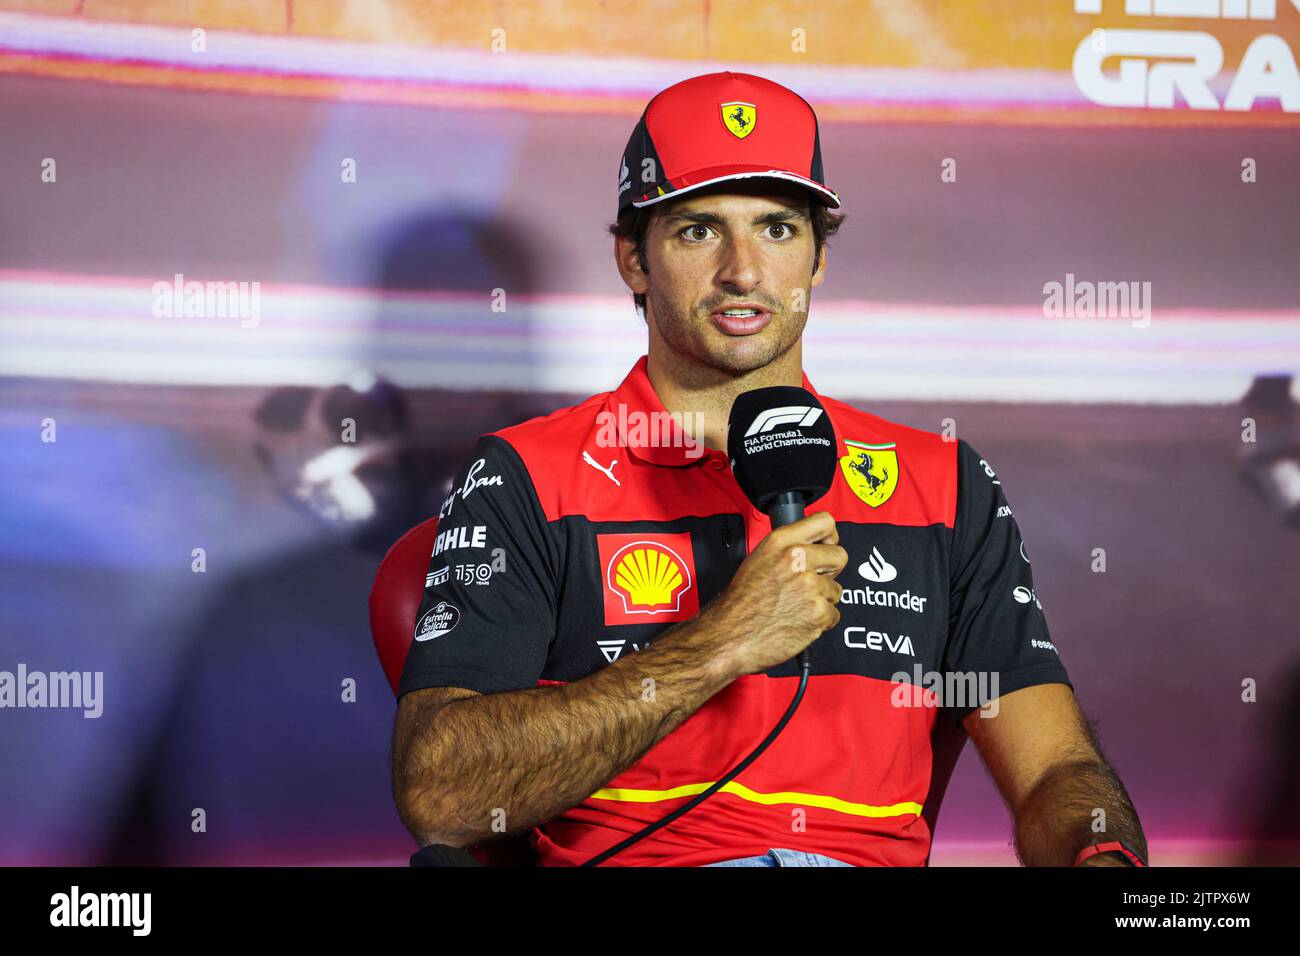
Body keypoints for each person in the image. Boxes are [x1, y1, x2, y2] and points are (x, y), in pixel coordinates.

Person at [391, 71, 1147, 868]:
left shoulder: (942, 484)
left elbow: (1058, 768)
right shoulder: (529, 472)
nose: (744, 272)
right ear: (632, 259)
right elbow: (440, 794)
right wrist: (723, 642)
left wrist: (1102, 857)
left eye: (779, 230)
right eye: (697, 231)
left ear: (818, 258)